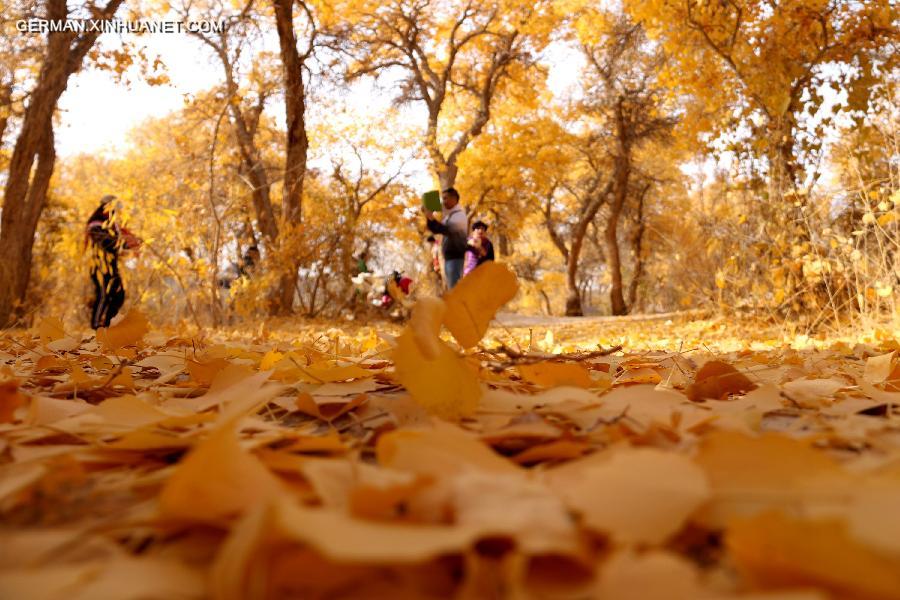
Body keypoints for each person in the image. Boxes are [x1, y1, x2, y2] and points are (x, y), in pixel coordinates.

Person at [84, 195, 141, 329]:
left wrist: (134, 242)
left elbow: (121, 238)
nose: (115, 213)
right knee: (104, 294)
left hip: (111, 265)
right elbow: (106, 243)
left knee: (119, 295)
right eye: (113, 210)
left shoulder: (113, 227)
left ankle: (107, 325)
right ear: (106, 207)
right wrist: (125, 244)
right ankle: (96, 328)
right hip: (99, 266)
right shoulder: (95, 224)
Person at [425, 187, 468, 289]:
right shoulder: (450, 216)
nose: (443, 202)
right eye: (442, 199)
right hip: (449, 258)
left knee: (455, 289)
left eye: (445, 198)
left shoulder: (460, 215)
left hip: (456, 257)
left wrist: (432, 218)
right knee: (451, 288)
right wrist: (429, 217)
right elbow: (436, 229)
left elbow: (446, 230)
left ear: (454, 199)